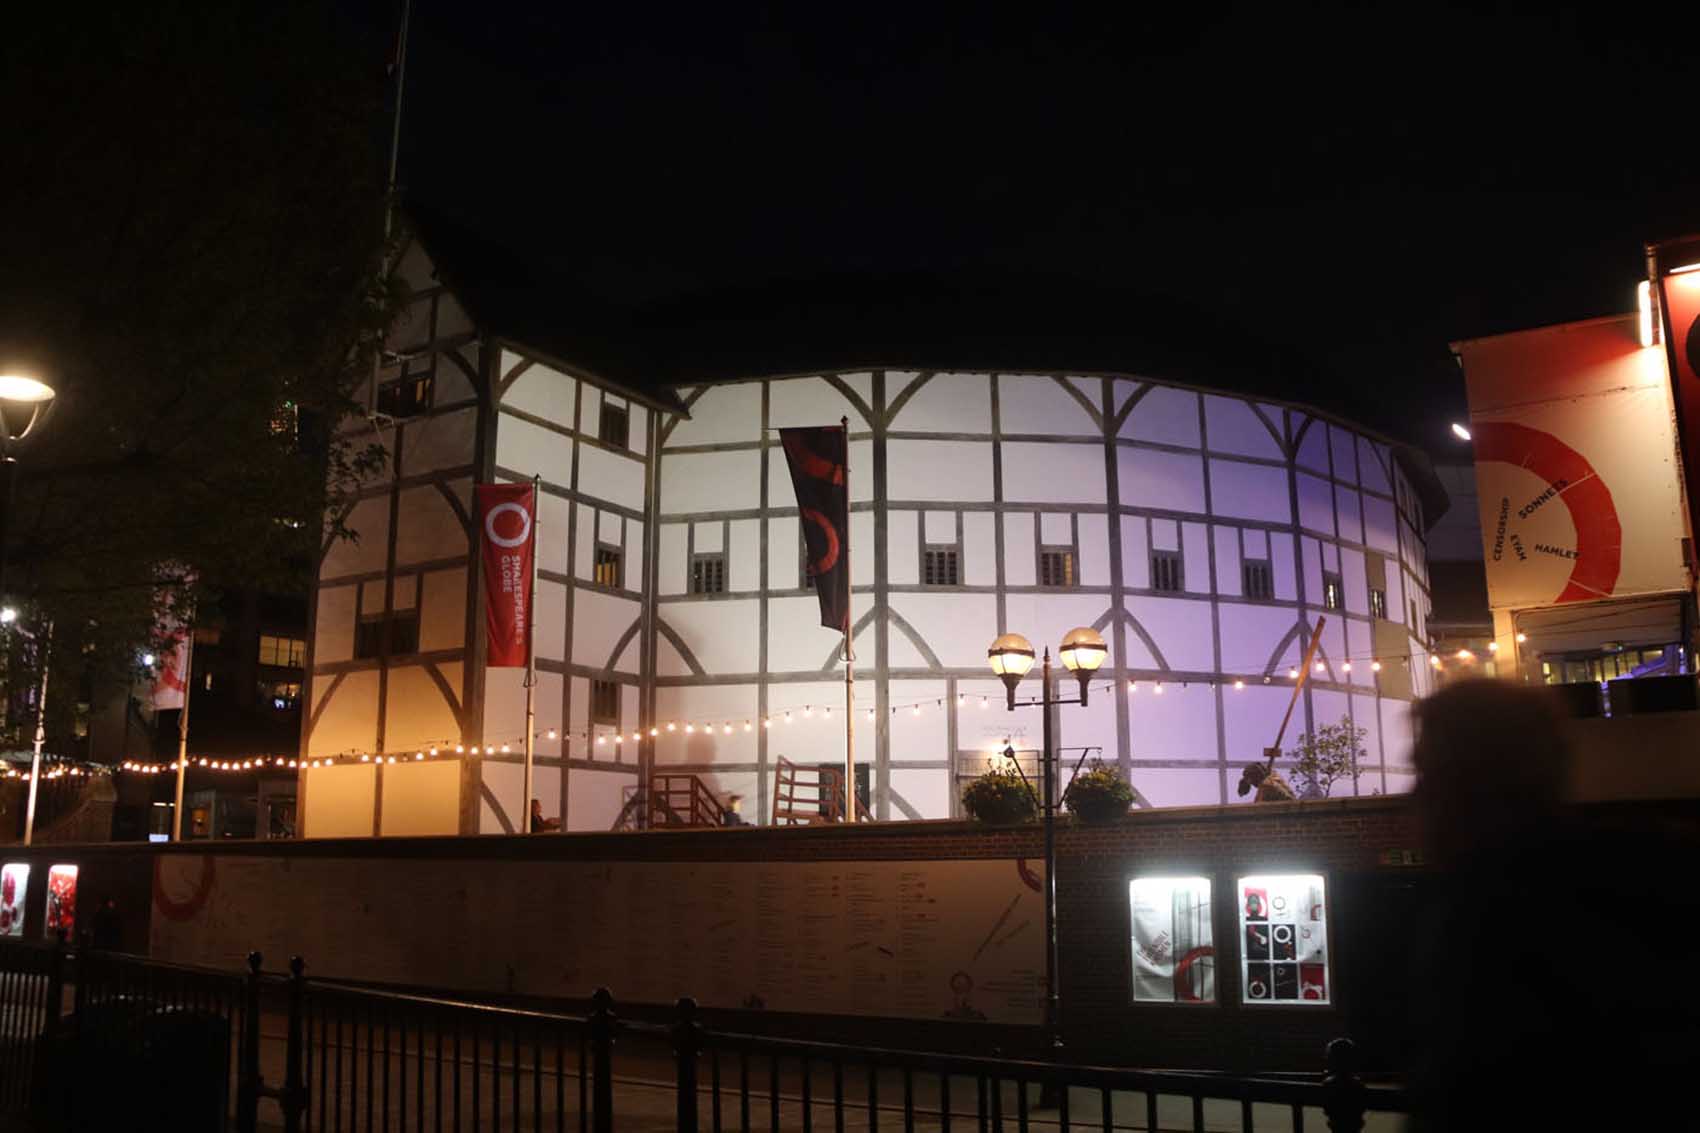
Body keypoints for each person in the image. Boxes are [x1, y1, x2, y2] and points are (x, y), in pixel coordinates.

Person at [1404, 679, 1697, 1130]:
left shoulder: (1485, 912)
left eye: (1428, 773)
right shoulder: (1654, 870)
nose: (1415, 795)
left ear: (1472, 781)